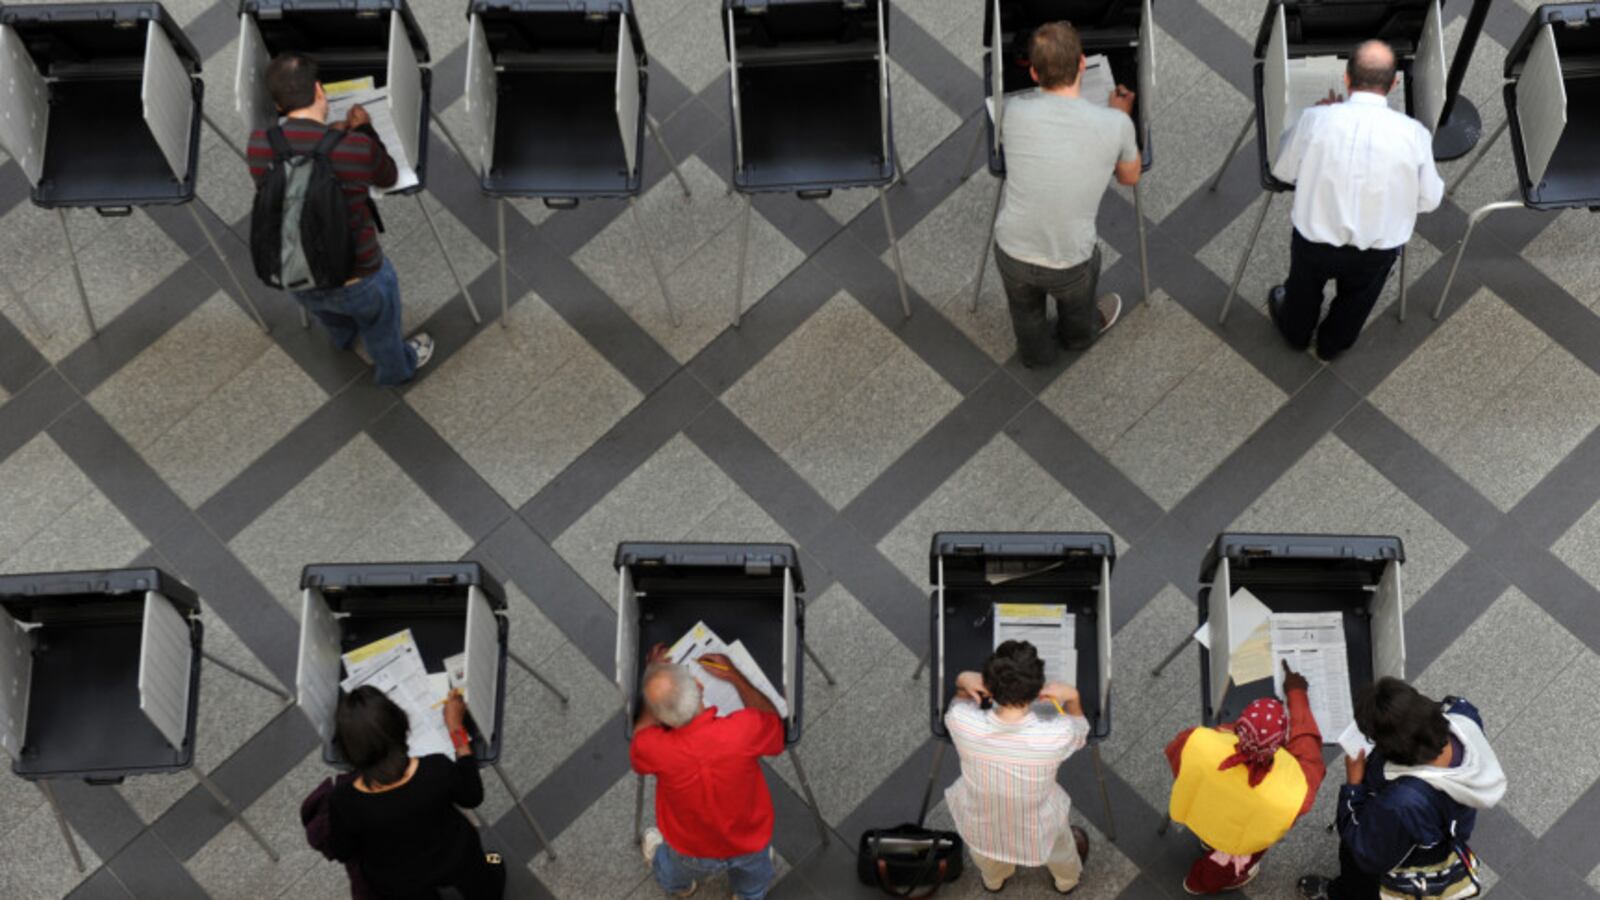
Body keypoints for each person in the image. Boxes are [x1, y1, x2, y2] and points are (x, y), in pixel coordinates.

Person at [247, 52, 433, 385]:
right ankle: (396, 369)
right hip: (360, 275)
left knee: (329, 313)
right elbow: (387, 176)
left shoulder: (260, 145)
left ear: (277, 105)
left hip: (299, 271)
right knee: (381, 330)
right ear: (320, 91)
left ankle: (342, 338)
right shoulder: (354, 147)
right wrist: (364, 130)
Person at [1267, 40, 1444, 362]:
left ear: (1347, 80)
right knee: (1358, 300)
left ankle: (1296, 334)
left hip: (1314, 240)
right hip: (1376, 248)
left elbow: (1284, 171)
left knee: (1302, 290)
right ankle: (1331, 346)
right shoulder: (1414, 134)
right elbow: (1430, 200)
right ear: (1392, 84)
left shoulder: (1315, 119)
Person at [992, 21, 1139, 368]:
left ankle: (1036, 355)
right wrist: (1119, 117)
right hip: (1071, 258)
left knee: (1025, 314)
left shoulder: (1013, 112)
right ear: (1082, 64)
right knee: (1078, 305)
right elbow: (1129, 177)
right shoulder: (1114, 124)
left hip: (1012, 249)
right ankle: (1078, 337)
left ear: (1032, 72)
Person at [1298, 678, 1506, 900]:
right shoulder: (1464, 714)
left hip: (1400, 853)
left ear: (1395, 751)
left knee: (1363, 882)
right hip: (1442, 831)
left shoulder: (1402, 802)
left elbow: (1366, 850)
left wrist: (1354, 785)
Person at [631, 644, 785, 900]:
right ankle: (748, 895)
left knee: (672, 869)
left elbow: (640, 737)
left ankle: (681, 888)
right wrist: (736, 676)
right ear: (700, 687)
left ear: (658, 719)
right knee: (754, 879)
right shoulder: (742, 730)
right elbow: (774, 730)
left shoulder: (653, 748)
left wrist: (654, 681)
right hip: (750, 840)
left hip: (688, 848)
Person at [323, 686, 504, 900]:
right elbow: (472, 796)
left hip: (396, 880)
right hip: (456, 854)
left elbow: (343, 850)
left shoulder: (343, 801)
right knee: (483, 884)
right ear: (400, 724)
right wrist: (456, 729)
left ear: (348, 750)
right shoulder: (435, 769)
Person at [1165, 661, 1325, 894]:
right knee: (1224, 865)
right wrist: (1297, 694)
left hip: (1203, 812)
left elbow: (1177, 757)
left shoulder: (1199, 742)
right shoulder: (1293, 788)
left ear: (1239, 727)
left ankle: (1203, 854)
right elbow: (1309, 751)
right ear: (1281, 742)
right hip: (1239, 839)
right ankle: (1200, 883)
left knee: (1211, 830)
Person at [945, 640, 1091, 894]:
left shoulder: (962, 722)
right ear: (1038, 693)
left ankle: (994, 882)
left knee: (987, 859)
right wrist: (1073, 697)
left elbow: (957, 703)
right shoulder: (1056, 735)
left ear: (988, 687)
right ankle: (1066, 883)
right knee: (1060, 851)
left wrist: (962, 680)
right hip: (1039, 821)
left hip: (981, 822)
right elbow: (1081, 732)